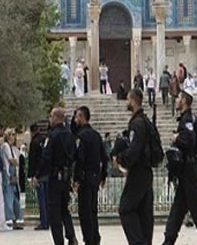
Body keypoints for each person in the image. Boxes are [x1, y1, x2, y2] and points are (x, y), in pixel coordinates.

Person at [162, 91, 197, 245]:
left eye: (179, 98)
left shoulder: (187, 119)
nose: (177, 100)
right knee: (178, 210)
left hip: (189, 171)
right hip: (185, 172)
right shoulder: (187, 118)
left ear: (185, 101)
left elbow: (189, 140)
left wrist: (176, 138)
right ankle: (168, 241)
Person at [114, 88, 154, 245]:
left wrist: (121, 159)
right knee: (144, 212)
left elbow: (135, 149)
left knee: (126, 208)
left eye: (128, 99)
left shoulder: (137, 123)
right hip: (145, 172)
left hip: (139, 171)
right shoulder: (144, 121)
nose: (126, 102)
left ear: (134, 100)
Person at [40, 107, 77, 245]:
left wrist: (39, 174)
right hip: (66, 176)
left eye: (51, 116)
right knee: (64, 209)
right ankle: (71, 236)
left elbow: (46, 157)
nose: (50, 119)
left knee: (54, 213)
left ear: (56, 117)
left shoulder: (53, 135)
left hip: (55, 176)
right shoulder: (69, 134)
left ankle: (59, 241)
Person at [73, 106, 108, 245]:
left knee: (85, 211)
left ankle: (89, 239)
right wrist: (103, 175)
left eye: (77, 117)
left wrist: (76, 179)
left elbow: (80, 160)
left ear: (82, 117)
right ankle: (95, 238)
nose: (75, 119)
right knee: (93, 210)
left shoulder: (81, 136)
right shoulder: (96, 135)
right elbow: (104, 157)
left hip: (85, 178)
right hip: (95, 178)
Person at [27, 123, 49, 231]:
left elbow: (32, 160)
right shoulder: (44, 140)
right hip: (47, 173)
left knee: (42, 199)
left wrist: (31, 175)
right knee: (47, 199)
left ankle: (44, 222)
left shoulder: (34, 142)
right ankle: (48, 221)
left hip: (39, 174)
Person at [1, 128, 24, 230]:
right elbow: (11, 160)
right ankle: (9, 219)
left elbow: (17, 161)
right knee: (9, 197)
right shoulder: (5, 146)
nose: (12, 136)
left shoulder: (14, 148)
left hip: (15, 174)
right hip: (8, 174)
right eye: (10, 134)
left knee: (16, 198)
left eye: (14, 134)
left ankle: (16, 220)